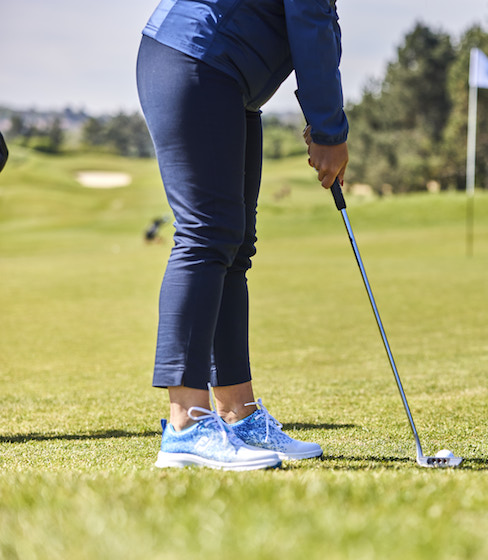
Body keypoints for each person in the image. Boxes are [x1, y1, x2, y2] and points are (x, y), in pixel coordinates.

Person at [136, 0, 349, 470]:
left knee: (234, 247)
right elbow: (311, 22)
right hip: (196, 58)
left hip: (228, 78)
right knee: (206, 235)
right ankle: (186, 424)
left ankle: (239, 414)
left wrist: (322, 121)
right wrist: (329, 131)